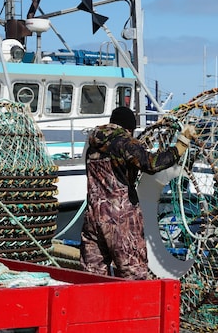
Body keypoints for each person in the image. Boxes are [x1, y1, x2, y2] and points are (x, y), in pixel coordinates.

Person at [80, 106, 195, 280]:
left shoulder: (93, 145)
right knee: (132, 276)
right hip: (120, 221)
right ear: (129, 128)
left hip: (92, 218)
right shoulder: (125, 142)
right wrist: (180, 146)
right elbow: (152, 164)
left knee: (92, 276)